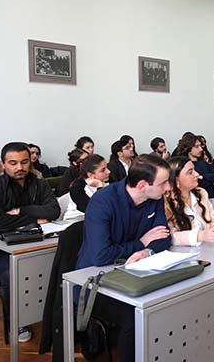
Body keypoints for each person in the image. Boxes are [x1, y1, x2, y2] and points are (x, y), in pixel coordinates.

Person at [76, 154, 172, 362]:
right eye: (163, 183)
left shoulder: (154, 198)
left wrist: (146, 251)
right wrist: (141, 243)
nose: (168, 188)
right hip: (96, 282)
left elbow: (164, 237)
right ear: (142, 185)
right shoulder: (103, 201)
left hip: (136, 273)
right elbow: (101, 256)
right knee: (136, 317)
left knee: (171, 300)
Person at [0, 142, 60, 342]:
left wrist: (21, 211)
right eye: (13, 163)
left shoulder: (40, 184)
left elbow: (53, 211)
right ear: (3, 164)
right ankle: (16, 321)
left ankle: (54, 314)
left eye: (24, 162)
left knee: (61, 267)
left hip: (37, 240)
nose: (19, 167)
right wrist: (35, 218)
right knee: (12, 275)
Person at [164, 157, 214, 245]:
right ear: (176, 180)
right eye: (190, 172)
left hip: (208, 248)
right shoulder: (167, 203)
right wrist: (199, 236)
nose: (197, 174)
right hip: (184, 252)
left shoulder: (201, 193)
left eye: (194, 170)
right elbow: (170, 236)